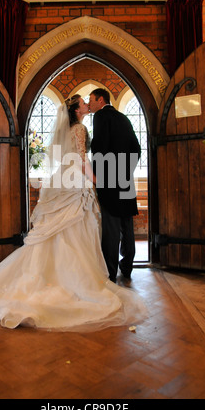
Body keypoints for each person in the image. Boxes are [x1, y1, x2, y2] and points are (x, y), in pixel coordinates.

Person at [0, 95, 146, 332]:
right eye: (83, 102)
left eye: (88, 101)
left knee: (64, 228)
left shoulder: (70, 127)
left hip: (63, 179)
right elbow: (81, 159)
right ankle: (77, 276)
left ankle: (55, 273)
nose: (87, 104)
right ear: (77, 110)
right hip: (77, 181)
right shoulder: (79, 128)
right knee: (77, 225)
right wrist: (95, 180)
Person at [89, 88, 141, 284]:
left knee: (111, 226)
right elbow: (136, 148)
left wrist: (98, 175)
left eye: (91, 100)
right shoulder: (123, 118)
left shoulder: (101, 116)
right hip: (125, 178)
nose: (90, 103)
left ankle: (110, 274)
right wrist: (126, 170)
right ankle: (127, 268)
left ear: (101, 100)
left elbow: (99, 147)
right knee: (127, 224)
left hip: (109, 179)